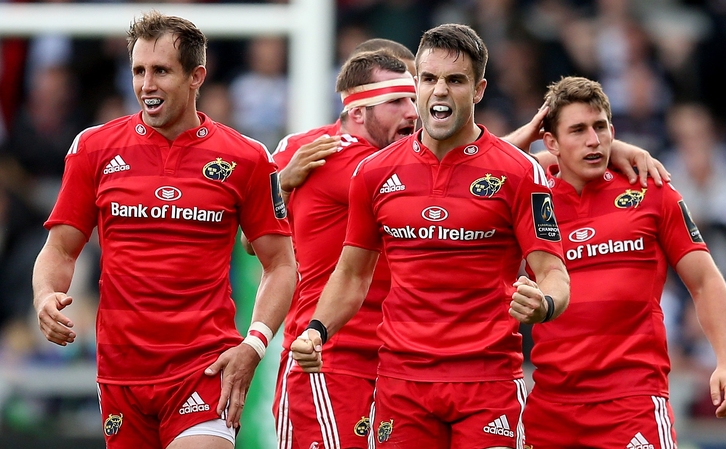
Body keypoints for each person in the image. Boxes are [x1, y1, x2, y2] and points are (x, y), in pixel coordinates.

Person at [291, 23, 570, 449]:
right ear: (417, 83)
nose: (439, 91)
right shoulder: (374, 173)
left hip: (487, 384)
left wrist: (545, 303)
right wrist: (316, 330)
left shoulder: (520, 173)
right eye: (429, 79)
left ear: (478, 90)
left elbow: (553, 271)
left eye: (455, 80)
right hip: (402, 385)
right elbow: (351, 275)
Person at [31, 11, 296, 449]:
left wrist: (254, 345)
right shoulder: (93, 148)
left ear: (196, 76)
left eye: (161, 71)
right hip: (120, 372)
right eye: (138, 71)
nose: (146, 85)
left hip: (204, 367)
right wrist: (44, 296)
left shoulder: (247, 157)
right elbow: (59, 250)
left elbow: (281, 265)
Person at [513, 76, 726, 449]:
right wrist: (525, 141)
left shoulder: (650, 188)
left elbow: (704, 281)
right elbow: (473, 175)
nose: (594, 140)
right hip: (550, 408)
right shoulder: (529, 196)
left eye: (601, 128)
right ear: (551, 142)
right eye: (578, 130)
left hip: (632, 402)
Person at [260, 38, 417, 449]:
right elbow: (249, 242)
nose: (414, 113)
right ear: (359, 107)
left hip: (397, 358)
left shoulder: (396, 158)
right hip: (329, 358)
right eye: (398, 99)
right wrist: (281, 184)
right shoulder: (321, 153)